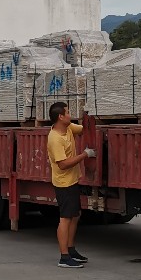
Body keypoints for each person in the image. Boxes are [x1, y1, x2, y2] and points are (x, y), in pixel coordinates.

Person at [47, 101, 95, 268]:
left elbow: (83, 130)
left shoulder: (68, 128)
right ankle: (64, 257)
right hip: (63, 183)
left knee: (75, 215)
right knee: (66, 218)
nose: (70, 115)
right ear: (61, 117)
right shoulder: (55, 138)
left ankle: (71, 249)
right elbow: (63, 164)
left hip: (72, 180)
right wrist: (85, 155)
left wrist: (90, 119)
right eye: (67, 112)